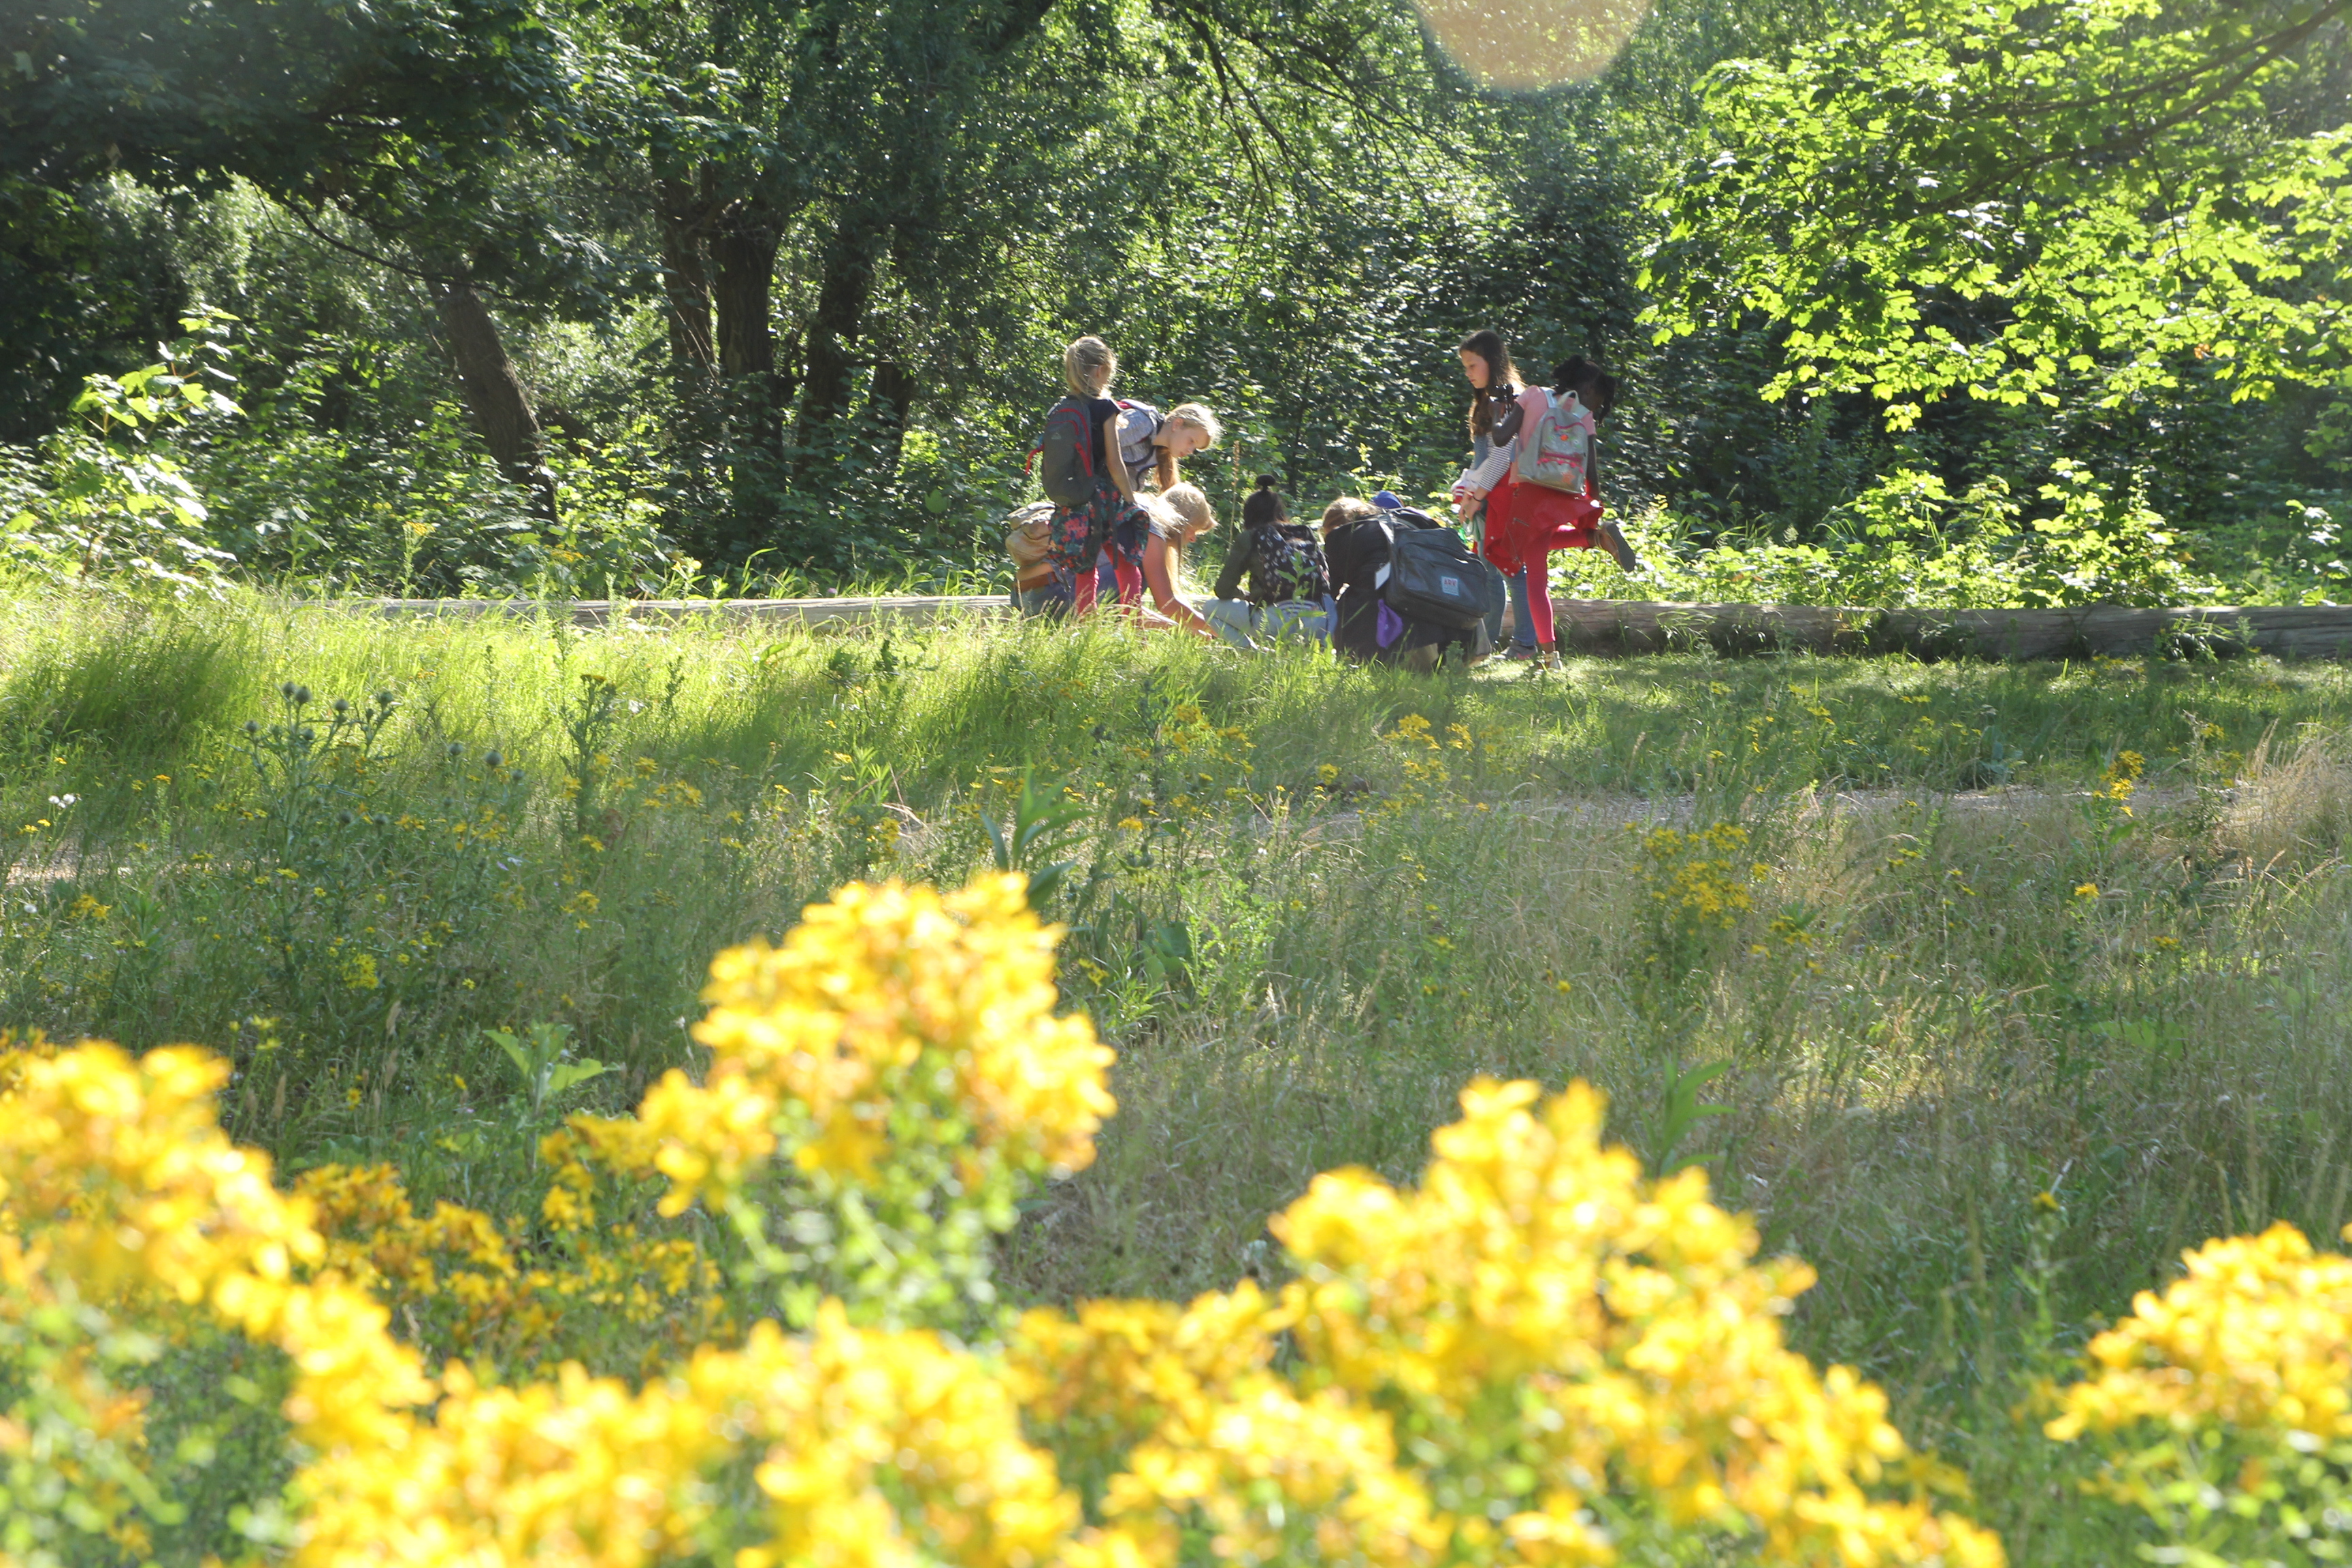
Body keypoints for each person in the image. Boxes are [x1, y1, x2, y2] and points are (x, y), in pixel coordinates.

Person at [1038, 335, 1153, 617]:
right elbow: (1114, 462)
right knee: (1126, 564)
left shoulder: (1063, 407)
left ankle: (1085, 630)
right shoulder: (1105, 408)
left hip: (1076, 499)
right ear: (1101, 370)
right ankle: (1135, 630)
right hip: (1107, 499)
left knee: (1084, 567)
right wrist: (1131, 501)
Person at [1452, 329, 1538, 659]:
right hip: (1490, 495)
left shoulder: (1506, 398)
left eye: (1473, 365)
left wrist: (1476, 497)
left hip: (1504, 497)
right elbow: (1484, 459)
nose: (1469, 373)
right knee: (1489, 570)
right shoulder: (1489, 400)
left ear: (1492, 361)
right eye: (1466, 367)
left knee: (1511, 569)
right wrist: (1469, 494)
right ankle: (1484, 645)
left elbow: (1503, 455)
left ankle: (1524, 644)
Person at [1196, 476, 1335, 647]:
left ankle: (1251, 652)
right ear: (1281, 511)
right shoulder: (1303, 533)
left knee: (1210, 607)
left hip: (1276, 622)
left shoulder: (1250, 537)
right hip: (1319, 622)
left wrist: (1247, 596)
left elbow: (1223, 589)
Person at [1132, 483, 1220, 638]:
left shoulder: (1146, 516)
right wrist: (1223, 632)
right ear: (1182, 521)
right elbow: (1167, 604)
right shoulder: (1153, 528)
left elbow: (1126, 607)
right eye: (1194, 530)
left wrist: (1187, 630)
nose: (1193, 539)